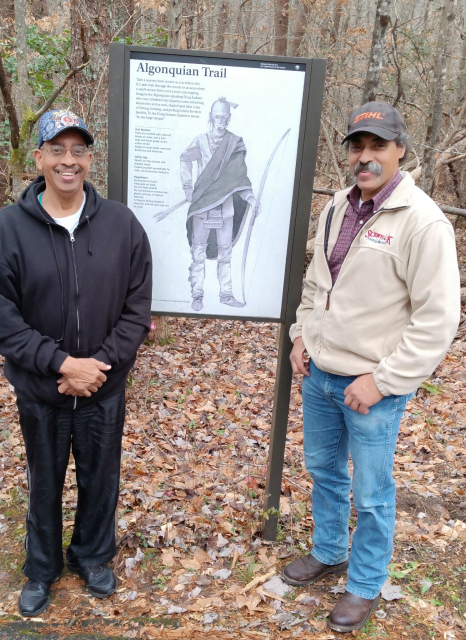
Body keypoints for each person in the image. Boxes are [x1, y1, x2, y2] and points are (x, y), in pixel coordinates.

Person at [282, 102, 460, 633]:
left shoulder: (423, 222)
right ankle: (330, 550)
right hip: (320, 374)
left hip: (373, 388)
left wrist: (382, 381)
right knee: (324, 472)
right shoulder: (337, 205)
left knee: (373, 494)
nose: (365, 157)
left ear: (401, 149)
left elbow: (437, 319)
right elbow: (317, 284)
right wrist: (300, 335)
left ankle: (363, 584)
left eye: (378, 146)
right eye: (357, 146)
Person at [0, 109, 152, 617]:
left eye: (78, 150)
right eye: (57, 149)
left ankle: (92, 557)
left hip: (103, 386)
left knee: (101, 476)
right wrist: (61, 365)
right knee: (44, 477)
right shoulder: (8, 229)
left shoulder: (122, 224)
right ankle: (42, 567)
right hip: (42, 389)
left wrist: (97, 366)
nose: (68, 160)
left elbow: (137, 307)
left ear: (89, 159)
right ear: (38, 158)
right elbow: (3, 320)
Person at [180, 97, 257, 311]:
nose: (220, 120)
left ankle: (226, 294)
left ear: (228, 118)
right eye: (217, 117)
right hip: (203, 206)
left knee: (225, 253)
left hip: (225, 209)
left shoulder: (234, 143)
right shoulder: (200, 140)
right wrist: (187, 187)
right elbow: (185, 159)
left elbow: (240, 176)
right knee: (198, 253)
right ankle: (197, 294)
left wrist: (250, 197)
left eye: (224, 117)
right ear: (211, 117)